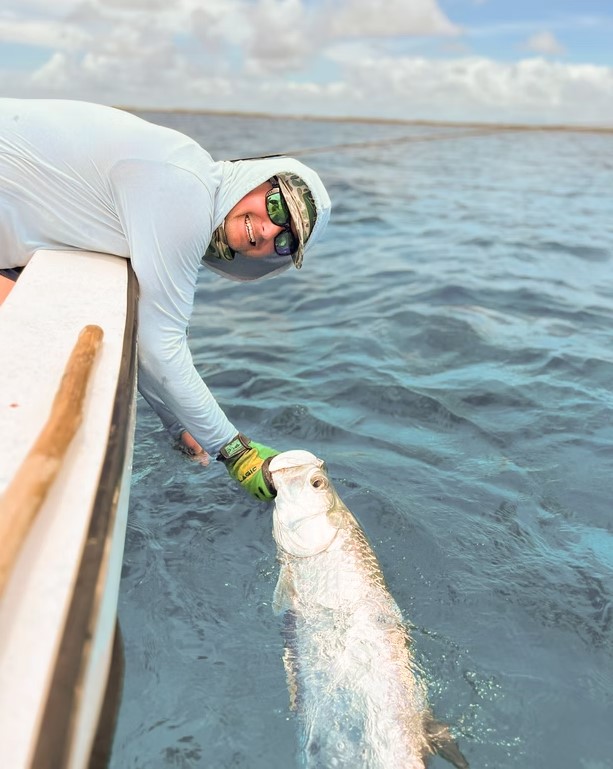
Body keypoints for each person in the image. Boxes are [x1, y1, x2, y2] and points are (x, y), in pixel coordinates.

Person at [0, 98, 331, 501]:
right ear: (258, 179)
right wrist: (237, 453)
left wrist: (178, 425)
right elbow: (160, 347)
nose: (267, 230)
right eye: (276, 205)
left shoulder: (183, 187)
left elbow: (146, 335)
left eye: (284, 242)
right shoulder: (186, 190)